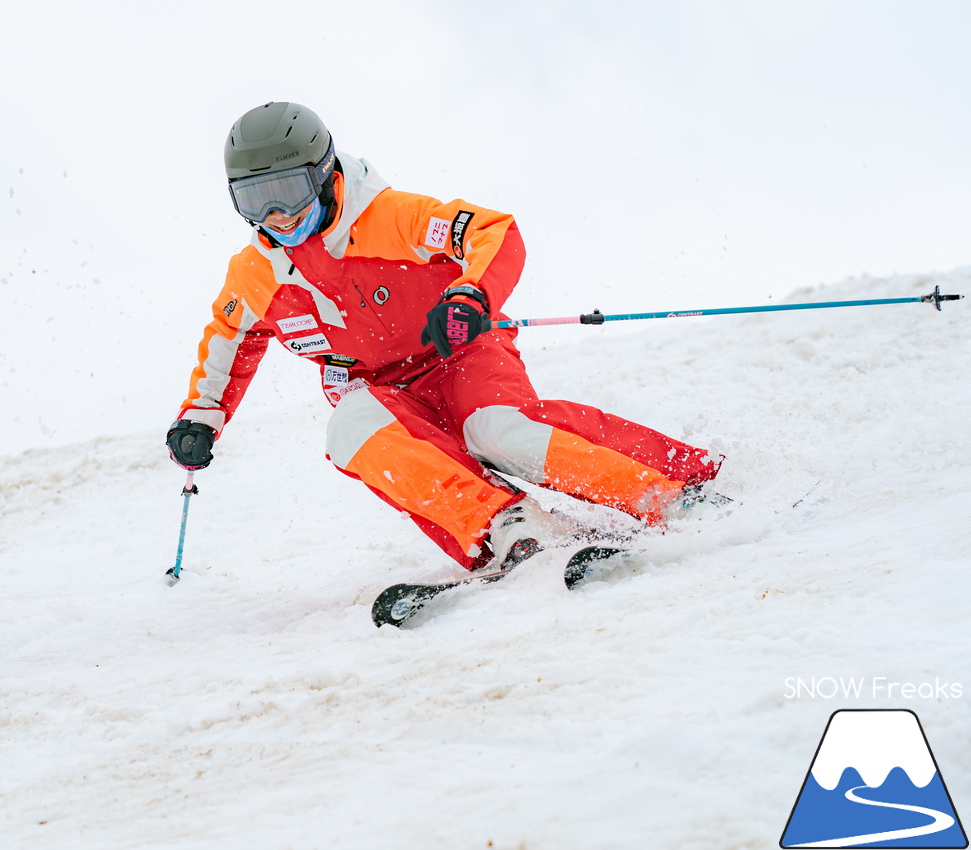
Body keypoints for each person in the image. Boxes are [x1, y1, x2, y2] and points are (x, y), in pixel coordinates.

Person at [166, 102, 723, 575]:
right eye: (254, 200)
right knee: (348, 429)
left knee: (495, 431)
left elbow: (492, 231)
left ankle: (673, 492)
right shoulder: (256, 272)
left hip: (459, 351)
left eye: (288, 192)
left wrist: (470, 297)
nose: (277, 216)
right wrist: (200, 416)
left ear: (325, 174)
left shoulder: (392, 218)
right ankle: (511, 529)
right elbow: (228, 339)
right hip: (379, 390)